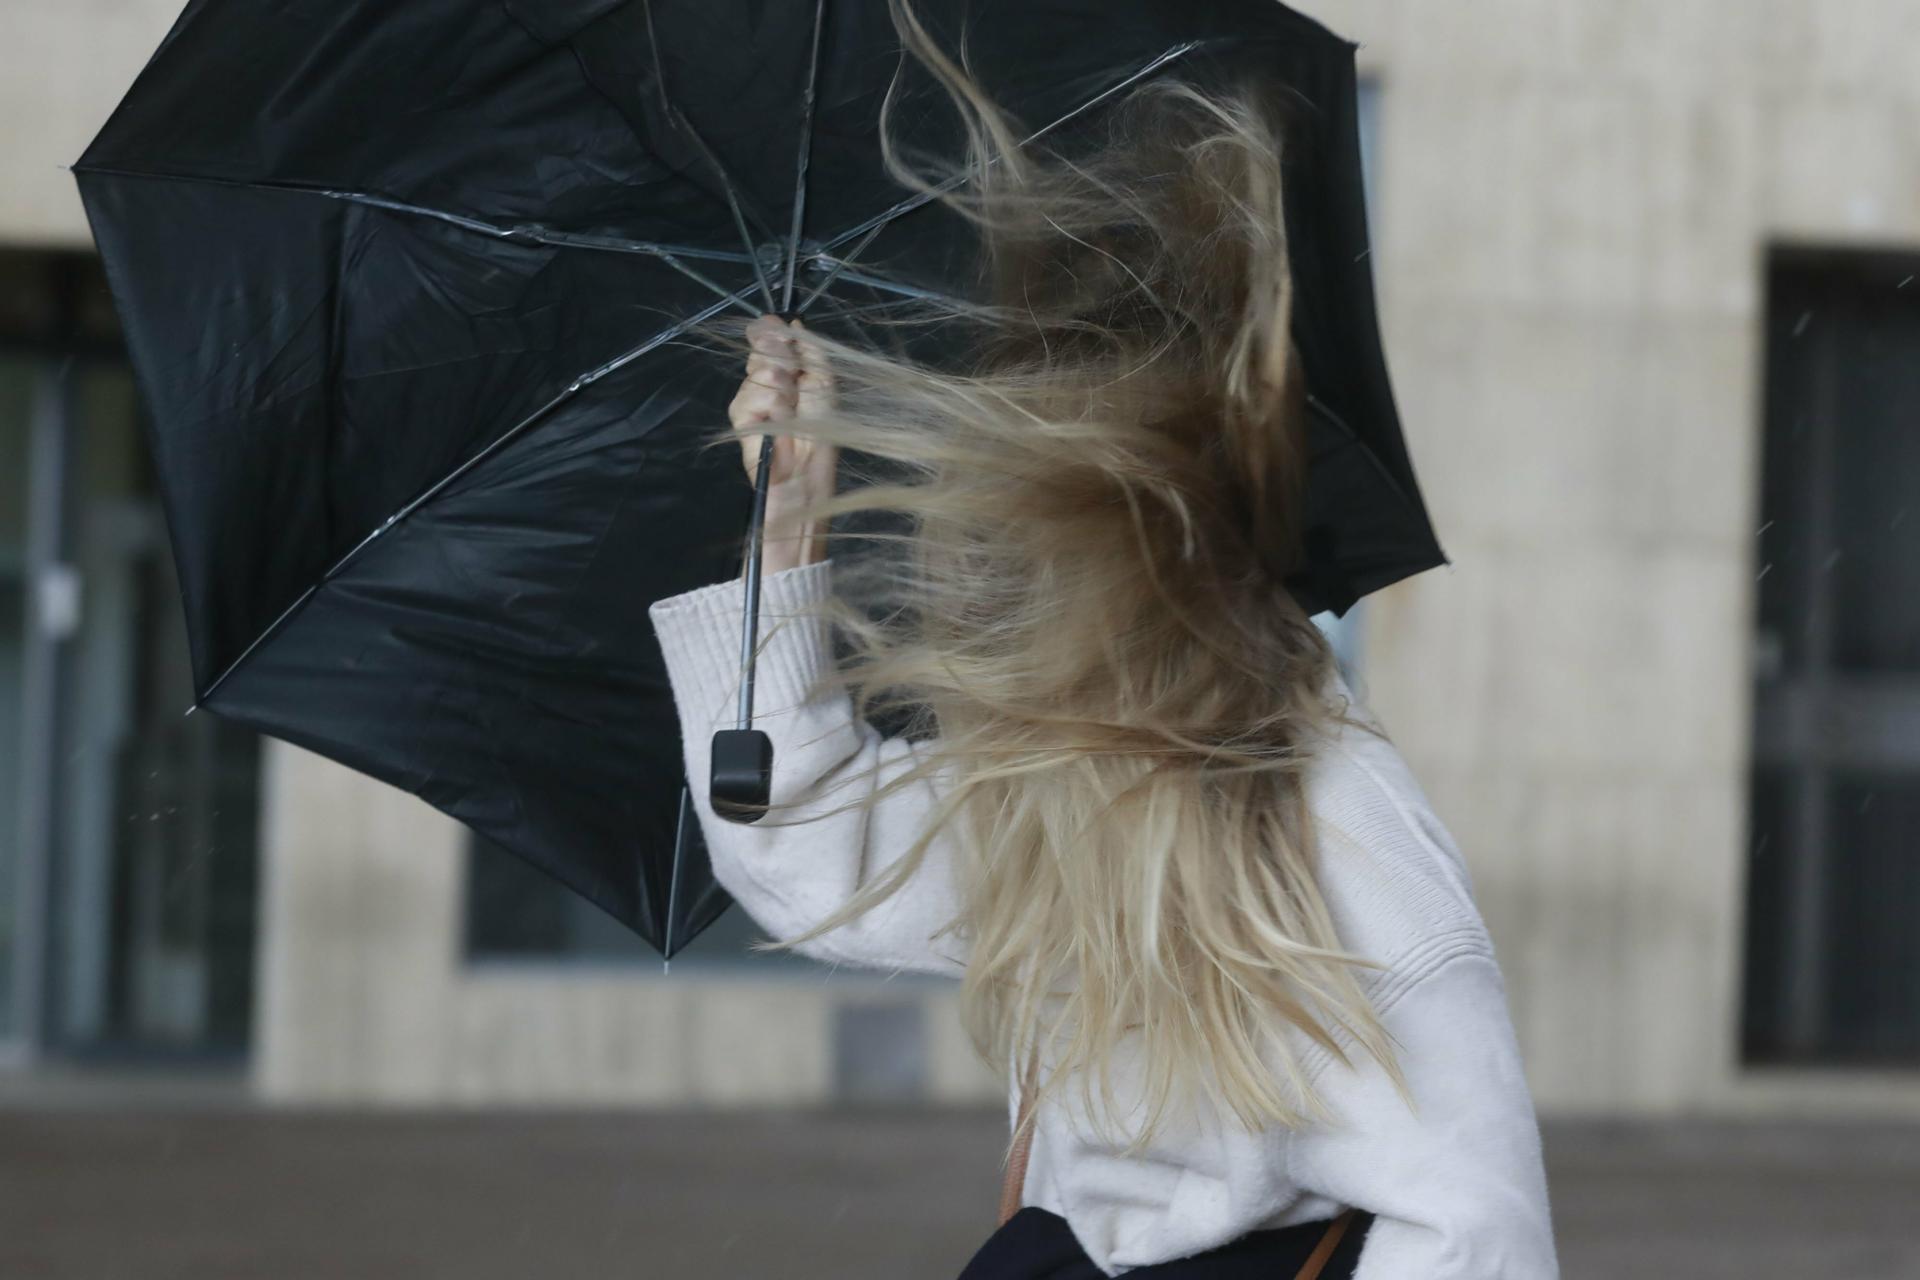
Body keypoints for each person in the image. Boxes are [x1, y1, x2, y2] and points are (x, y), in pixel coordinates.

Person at [647, 5, 1557, 1275]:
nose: (994, 571)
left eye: (1042, 530)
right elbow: (817, 850)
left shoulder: (1330, 815)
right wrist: (790, 529)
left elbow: (1476, 1228)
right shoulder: (1059, 773)